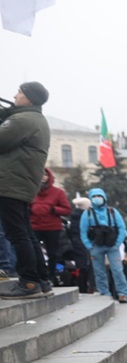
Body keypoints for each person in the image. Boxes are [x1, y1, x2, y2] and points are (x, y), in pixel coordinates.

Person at [0, 82, 53, 298]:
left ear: (29, 98)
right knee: (26, 234)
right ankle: (41, 280)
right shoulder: (32, 118)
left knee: (18, 235)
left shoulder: (23, 120)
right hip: (18, 184)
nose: (15, 95)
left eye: (20, 92)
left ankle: (29, 282)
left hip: (9, 184)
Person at [79, 186, 127, 302]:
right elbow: (83, 231)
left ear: (104, 198)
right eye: (94, 197)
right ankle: (104, 293)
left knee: (117, 270)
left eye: (99, 196)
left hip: (112, 245)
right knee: (99, 271)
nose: (97, 199)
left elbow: (122, 228)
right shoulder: (87, 213)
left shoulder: (112, 212)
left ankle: (123, 293)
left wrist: (117, 243)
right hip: (96, 246)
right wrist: (89, 246)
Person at [30, 167, 71, 282]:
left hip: (52, 227)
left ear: (49, 177)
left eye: (45, 174)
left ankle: (51, 276)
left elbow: (67, 209)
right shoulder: (32, 191)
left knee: (53, 253)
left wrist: (53, 209)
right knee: (33, 252)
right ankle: (36, 275)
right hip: (35, 226)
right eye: (40, 174)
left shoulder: (58, 192)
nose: (43, 177)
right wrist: (31, 210)